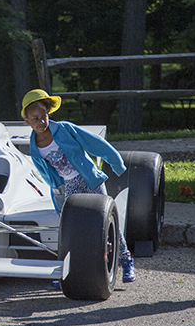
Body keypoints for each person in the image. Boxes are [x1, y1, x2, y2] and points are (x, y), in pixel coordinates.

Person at [21, 89, 135, 283]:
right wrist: (58, 197)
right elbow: (50, 176)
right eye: (35, 119)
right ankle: (70, 270)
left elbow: (93, 143)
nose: (41, 122)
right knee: (72, 230)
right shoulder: (34, 148)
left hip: (90, 179)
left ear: (49, 115)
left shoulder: (64, 129)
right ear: (27, 121)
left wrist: (116, 162)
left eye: (44, 117)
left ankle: (126, 260)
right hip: (70, 186)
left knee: (107, 220)